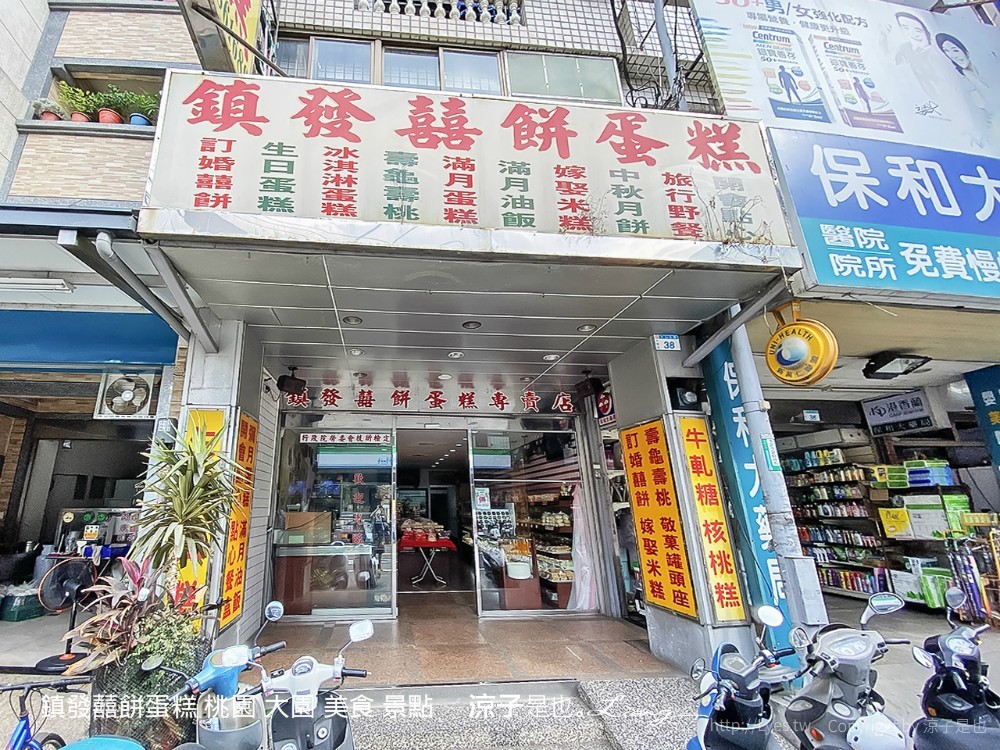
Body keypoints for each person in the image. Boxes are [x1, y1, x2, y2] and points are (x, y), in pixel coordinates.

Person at [935, 32, 994, 149]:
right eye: (947, 52)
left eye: (955, 50)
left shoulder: (986, 70)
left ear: (965, 50)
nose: (953, 56)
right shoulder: (964, 81)